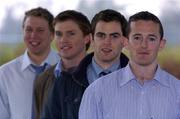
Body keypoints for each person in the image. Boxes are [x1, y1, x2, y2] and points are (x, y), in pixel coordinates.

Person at [79, 11, 180, 119]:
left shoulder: (177, 91)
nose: (143, 45)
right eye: (137, 38)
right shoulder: (96, 91)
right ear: (125, 42)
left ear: (161, 44)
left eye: (151, 39)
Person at [41, 9, 129, 119]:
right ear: (91, 39)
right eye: (101, 35)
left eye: (114, 36)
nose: (107, 42)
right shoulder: (63, 83)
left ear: (125, 41)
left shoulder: (141, 81)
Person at [0, 7, 60, 119]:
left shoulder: (68, 68)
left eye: (40, 30)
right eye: (29, 30)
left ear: (52, 35)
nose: (33, 35)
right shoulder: (5, 74)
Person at [33, 10, 92, 119]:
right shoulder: (43, 80)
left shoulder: (101, 76)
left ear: (87, 38)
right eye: (59, 34)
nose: (63, 40)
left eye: (71, 34)